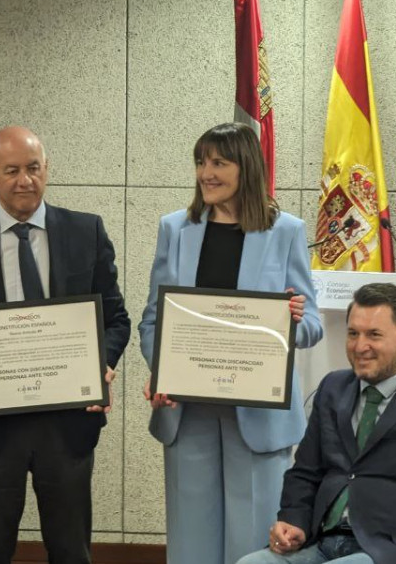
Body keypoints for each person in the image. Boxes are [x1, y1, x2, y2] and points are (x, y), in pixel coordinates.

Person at [0, 125, 131, 564]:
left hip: (66, 423)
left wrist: (101, 366)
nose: (24, 180)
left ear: (47, 169)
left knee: (72, 551)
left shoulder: (85, 231)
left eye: (33, 168)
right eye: (10, 170)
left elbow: (116, 319)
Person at [138, 122, 324, 564]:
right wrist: (161, 370)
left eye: (218, 163)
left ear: (247, 168)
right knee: (192, 544)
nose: (206, 173)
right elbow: (152, 320)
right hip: (189, 411)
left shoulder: (286, 231)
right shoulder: (174, 228)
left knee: (254, 542)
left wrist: (290, 322)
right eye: (201, 162)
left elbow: (312, 324)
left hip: (258, 414)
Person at [237, 283, 396, 564]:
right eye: (353, 334)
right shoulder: (333, 387)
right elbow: (305, 473)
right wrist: (293, 520)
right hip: (321, 543)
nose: (360, 347)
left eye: (374, 335)